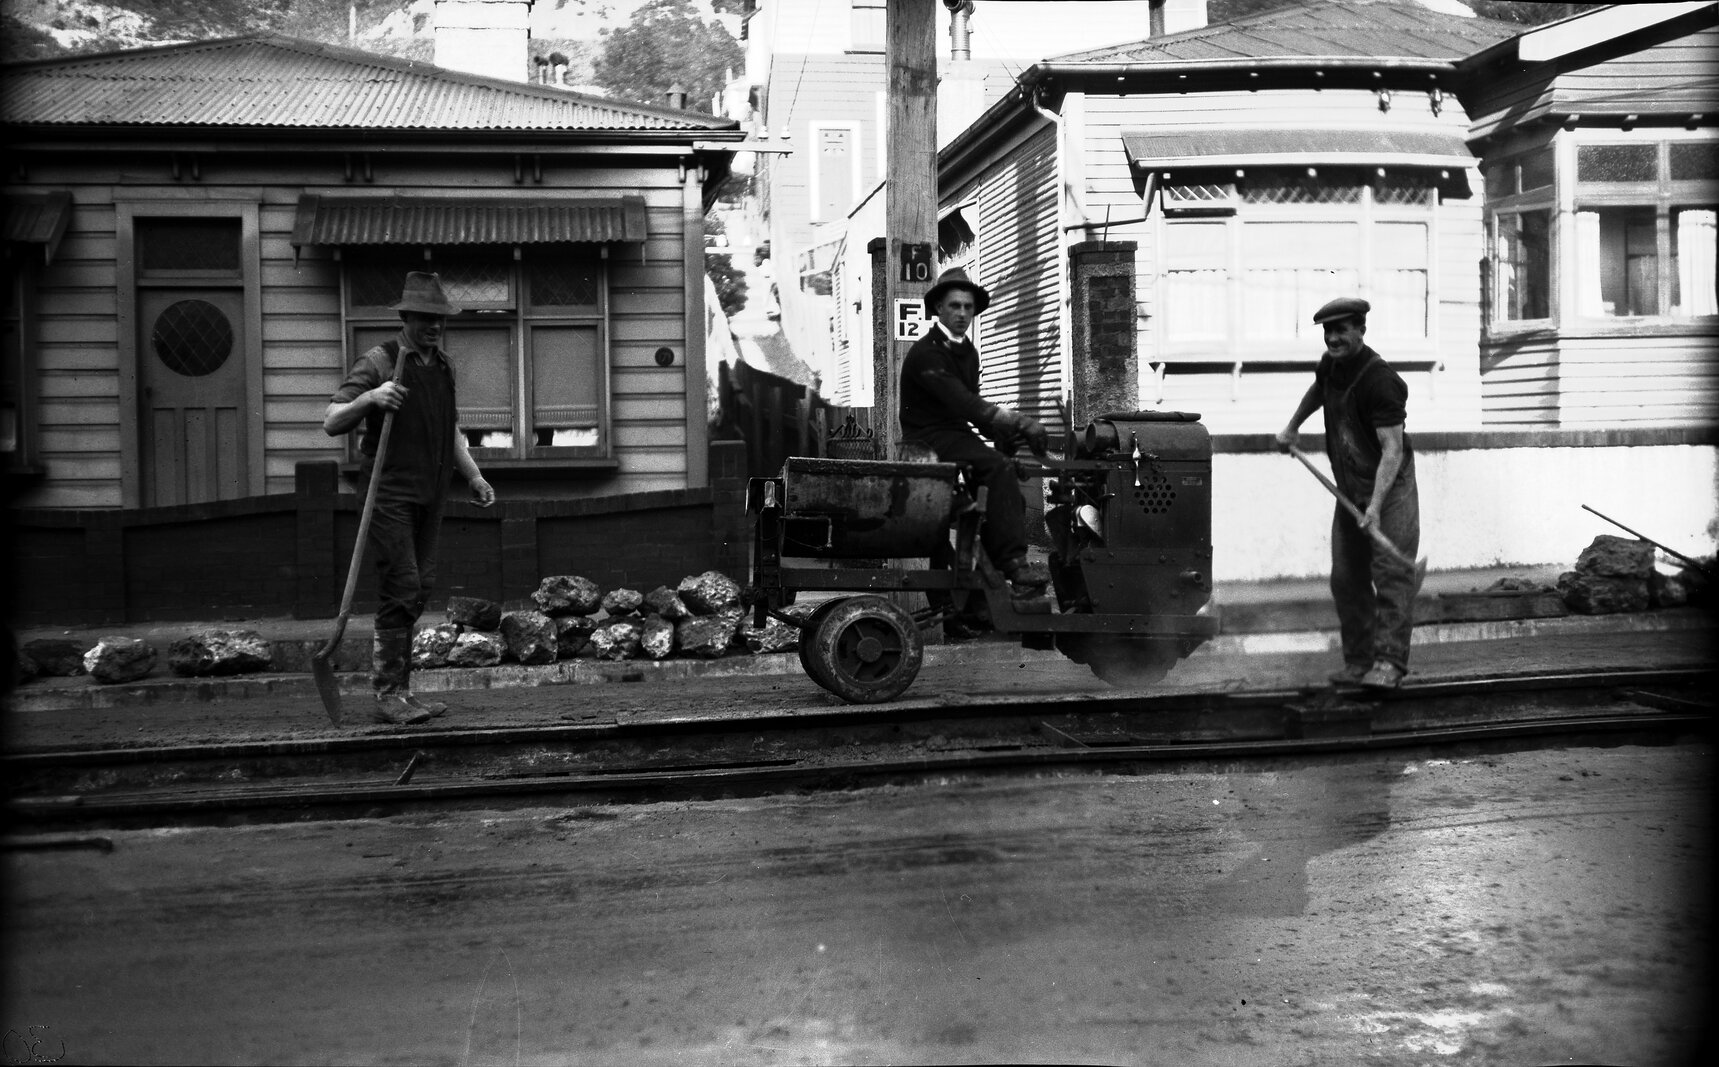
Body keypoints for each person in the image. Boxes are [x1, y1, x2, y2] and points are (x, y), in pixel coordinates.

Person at [324, 272, 496, 724]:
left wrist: (474, 476)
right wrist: (372, 399)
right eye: (424, 318)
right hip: (389, 495)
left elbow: (450, 430)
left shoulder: (443, 365)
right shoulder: (380, 361)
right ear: (406, 317)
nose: (434, 326)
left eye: (439, 318)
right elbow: (331, 419)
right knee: (401, 586)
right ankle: (386, 692)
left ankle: (402, 691)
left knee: (418, 589)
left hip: (431, 495)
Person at [1275, 297, 1420, 690]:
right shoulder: (1332, 366)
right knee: (1345, 577)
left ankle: (1389, 663)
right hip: (1350, 488)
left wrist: (1374, 507)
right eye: (1328, 332)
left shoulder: (1381, 381)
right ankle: (1359, 662)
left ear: (1361, 330)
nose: (1334, 338)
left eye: (1342, 330)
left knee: (1391, 576)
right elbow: (1319, 389)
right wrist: (1292, 427)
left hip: (1389, 492)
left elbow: (1392, 450)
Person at [900, 267, 1052, 616]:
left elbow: (972, 410)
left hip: (955, 433)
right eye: (954, 306)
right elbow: (966, 404)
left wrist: (1003, 439)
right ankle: (1014, 563)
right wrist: (1020, 421)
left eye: (968, 307)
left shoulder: (967, 351)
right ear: (938, 307)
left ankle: (963, 604)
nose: (962, 314)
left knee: (1000, 471)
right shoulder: (928, 354)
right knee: (996, 469)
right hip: (926, 438)